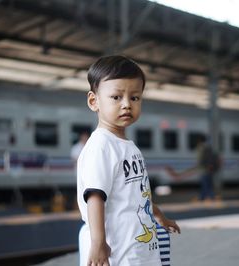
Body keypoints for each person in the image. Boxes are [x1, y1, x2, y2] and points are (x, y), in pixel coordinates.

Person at [77, 55, 180, 266]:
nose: (127, 105)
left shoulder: (127, 146)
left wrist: (159, 217)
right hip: (115, 251)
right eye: (116, 97)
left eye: (135, 98)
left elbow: (137, 196)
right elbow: (95, 197)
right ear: (93, 101)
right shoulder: (101, 146)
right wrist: (98, 242)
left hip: (137, 250)